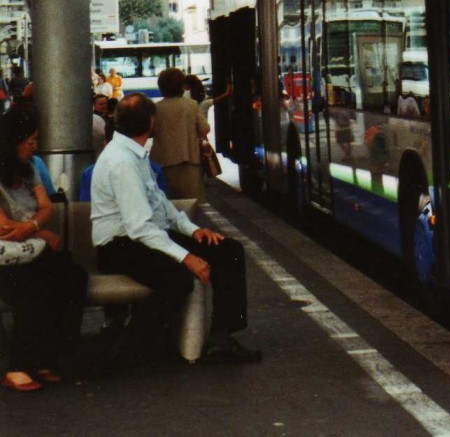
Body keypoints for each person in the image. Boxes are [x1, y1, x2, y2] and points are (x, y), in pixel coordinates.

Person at [91, 93, 261, 367]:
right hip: (120, 246)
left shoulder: (133, 153)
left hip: (138, 240)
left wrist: (192, 231)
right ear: (150, 122)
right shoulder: (122, 162)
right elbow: (139, 226)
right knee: (177, 277)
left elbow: (160, 205)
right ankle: (130, 348)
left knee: (228, 251)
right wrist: (186, 256)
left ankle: (221, 339)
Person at [0, 109, 88, 391]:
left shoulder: (32, 167)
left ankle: (48, 356)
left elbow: (46, 205)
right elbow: (3, 227)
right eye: (30, 141)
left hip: (33, 248)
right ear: (13, 140)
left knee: (73, 277)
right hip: (8, 258)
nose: (35, 147)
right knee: (33, 288)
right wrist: (39, 229)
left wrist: (33, 226)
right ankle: (17, 365)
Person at [149, 68, 210, 201]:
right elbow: (205, 129)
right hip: (189, 161)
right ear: (182, 86)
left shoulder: (155, 108)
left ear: (161, 87)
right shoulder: (192, 105)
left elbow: (149, 132)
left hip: (162, 162)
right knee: (190, 205)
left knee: (165, 204)